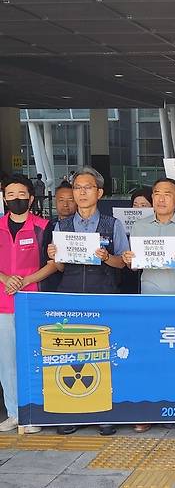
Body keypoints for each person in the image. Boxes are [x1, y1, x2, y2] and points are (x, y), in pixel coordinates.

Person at [47, 166, 129, 436]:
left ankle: (104, 413)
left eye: (88, 187)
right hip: (69, 295)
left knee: (102, 354)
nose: (82, 192)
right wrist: (55, 255)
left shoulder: (112, 224)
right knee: (69, 353)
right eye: (78, 188)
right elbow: (59, 268)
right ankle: (70, 411)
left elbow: (123, 263)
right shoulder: (62, 225)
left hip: (103, 294)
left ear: (100, 193)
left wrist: (107, 257)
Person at [122, 177, 175, 433]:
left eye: (167, 193)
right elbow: (133, 264)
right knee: (151, 356)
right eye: (157, 193)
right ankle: (149, 410)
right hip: (150, 299)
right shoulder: (139, 226)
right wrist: (127, 259)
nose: (161, 198)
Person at [0, 175, 57, 434]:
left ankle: (34, 414)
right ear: (4, 198)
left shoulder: (44, 227)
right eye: (10, 194)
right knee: (8, 362)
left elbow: (54, 264)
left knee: (34, 359)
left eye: (21, 194)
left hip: (33, 301)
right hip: (4, 303)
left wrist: (24, 281)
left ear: (31, 198)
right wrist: (6, 279)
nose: (15, 199)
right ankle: (13, 413)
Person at [41, 183, 77, 292]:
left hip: (74, 282)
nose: (65, 204)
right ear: (55, 202)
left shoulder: (83, 227)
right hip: (50, 283)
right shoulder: (46, 227)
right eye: (61, 200)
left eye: (70, 200)